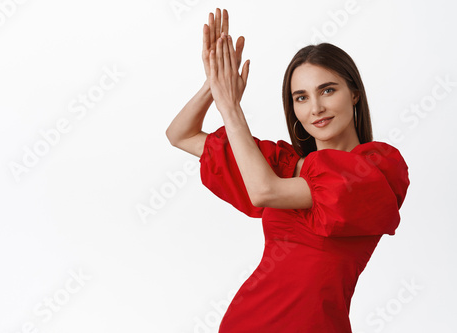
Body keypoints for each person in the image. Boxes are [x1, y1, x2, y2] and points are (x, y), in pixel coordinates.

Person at [166, 8, 410, 333]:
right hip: (245, 322)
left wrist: (230, 108)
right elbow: (180, 135)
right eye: (301, 97)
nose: (315, 108)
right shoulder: (283, 165)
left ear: (354, 93)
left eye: (327, 90)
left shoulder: (377, 169)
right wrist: (215, 84)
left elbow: (265, 191)